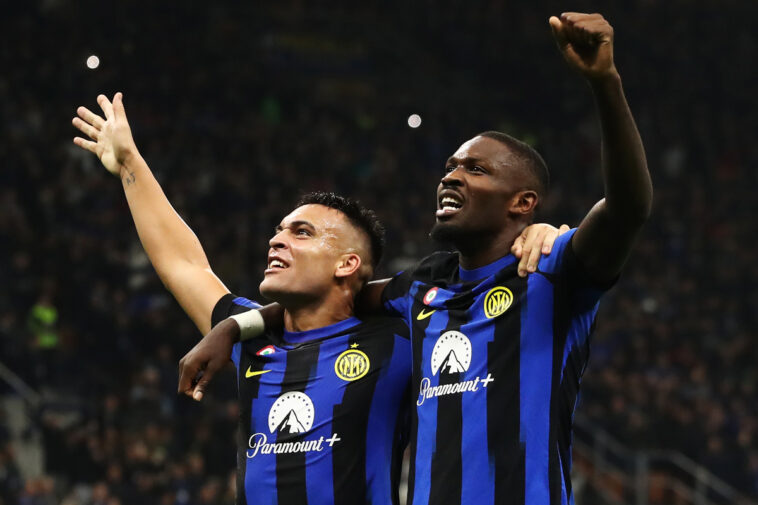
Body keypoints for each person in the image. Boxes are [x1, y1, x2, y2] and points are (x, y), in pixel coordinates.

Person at [186, 12, 653, 505]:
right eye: (450, 166)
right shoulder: (420, 288)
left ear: (523, 203)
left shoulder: (553, 269)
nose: (451, 177)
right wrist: (234, 327)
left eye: (476, 169)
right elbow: (322, 294)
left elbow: (628, 209)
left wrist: (605, 83)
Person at [71, 93, 565, 504]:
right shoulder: (252, 341)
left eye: (301, 232)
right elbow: (185, 265)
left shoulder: (399, 338)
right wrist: (130, 165)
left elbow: (478, 302)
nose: (277, 241)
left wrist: (537, 234)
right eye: (279, 230)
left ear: (347, 265)